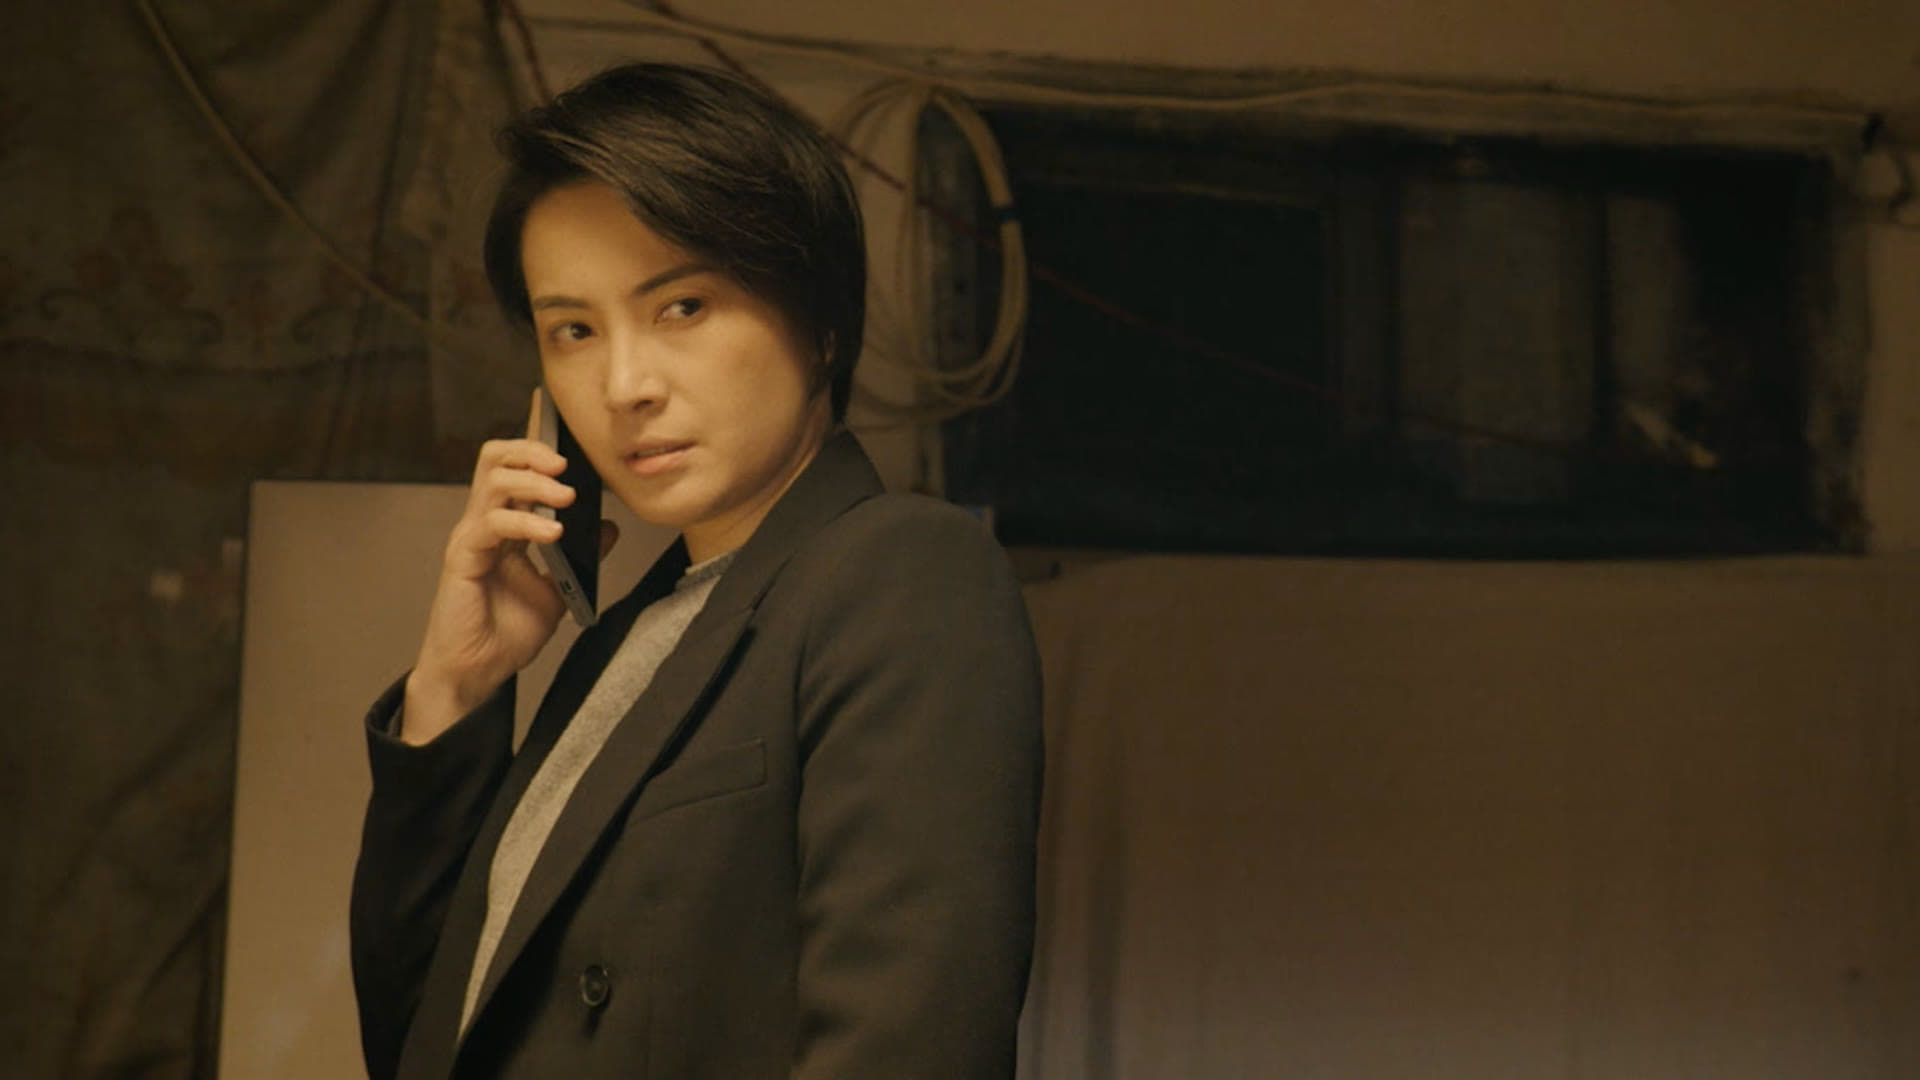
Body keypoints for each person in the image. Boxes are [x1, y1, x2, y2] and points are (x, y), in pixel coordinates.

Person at [348, 63, 1043, 1080]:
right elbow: (421, 1040)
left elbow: (906, 1047)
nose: (623, 386)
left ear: (822, 321)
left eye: (681, 306)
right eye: (574, 331)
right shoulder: (618, 642)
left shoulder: (900, 574)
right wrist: (454, 689)